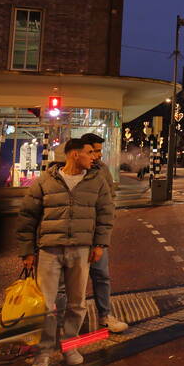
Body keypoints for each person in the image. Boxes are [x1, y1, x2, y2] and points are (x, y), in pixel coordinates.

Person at [17, 138, 114, 366]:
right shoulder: (45, 181)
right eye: (89, 152)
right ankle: (44, 353)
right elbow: (27, 217)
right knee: (47, 305)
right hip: (50, 250)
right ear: (73, 155)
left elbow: (106, 214)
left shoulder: (97, 181)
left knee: (77, 303)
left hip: (81, 250)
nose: (94, 157)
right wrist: (27, 251)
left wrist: (100, 243)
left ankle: (70, 346)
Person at [75, 134, 128, 334]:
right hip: (76, 235)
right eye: (93, 151)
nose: (97, 155)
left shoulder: (102, 170)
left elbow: (109, 201)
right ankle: (71, 323)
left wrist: (103, 233)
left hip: (96, 234)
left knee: (101, 275)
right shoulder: (71, 171)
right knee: (73, 281)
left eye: (99, 151)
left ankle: (105, 316)